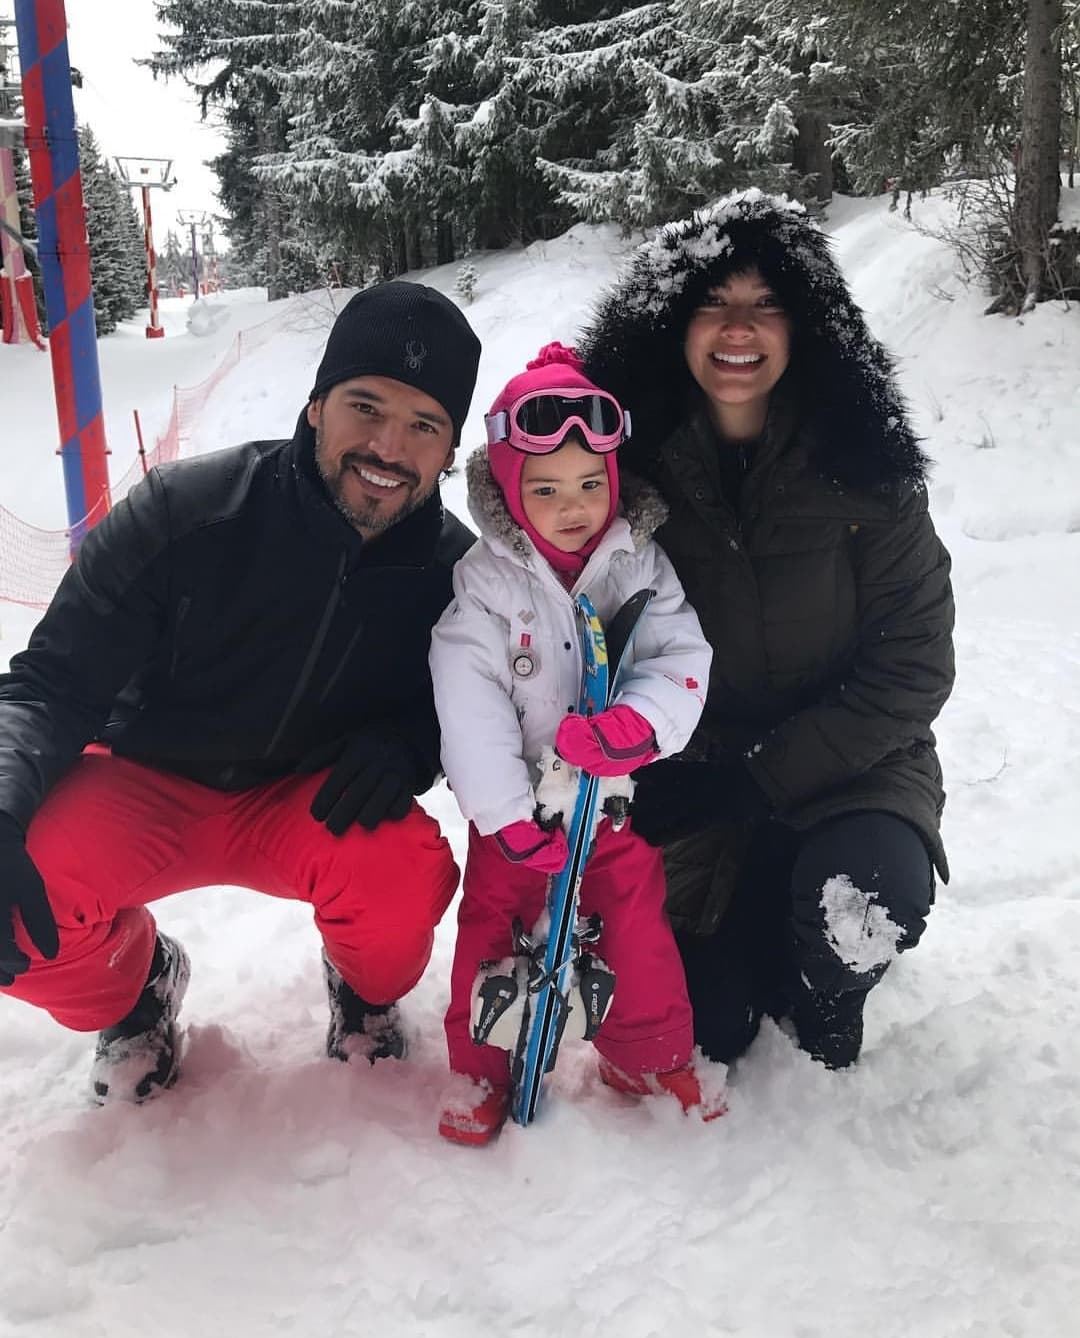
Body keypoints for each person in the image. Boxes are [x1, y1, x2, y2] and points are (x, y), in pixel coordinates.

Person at [0, 279, 482, 1104]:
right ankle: (138, 989)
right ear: (315, 405)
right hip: (144, 778)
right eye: (364, 407)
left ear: (449, 448)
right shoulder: (186, 510)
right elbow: (51, 680)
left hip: (302, 803)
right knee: (13, 909)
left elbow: (463, 713)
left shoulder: (454, 572)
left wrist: (408, 746)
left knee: (403, 875)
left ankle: (362, 992)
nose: (388, 447)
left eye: (423, 425)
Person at [577, 189, 956, 1071]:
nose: (737, 329)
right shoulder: (626, 472)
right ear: (673, 321)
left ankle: (830, 1000)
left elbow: (913, 667)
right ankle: (755, 910)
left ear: (806, 323)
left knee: (860, 901)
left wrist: (765, 779)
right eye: (712, 302)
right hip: (693, 771)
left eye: (766, 304)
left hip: (855, 768)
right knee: (710, 1024)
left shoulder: (867, 468)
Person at [429, 343, 723, 1147]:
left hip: (614, 806)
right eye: (547, 489)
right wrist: (503, 814)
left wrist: (638, 725)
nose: (574, 507)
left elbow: (681, 657)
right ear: (510, 493)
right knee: (492, 933)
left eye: (592, 484)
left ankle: (647, 1054)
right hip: (522, 818)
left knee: (636, 927)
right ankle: (481, 1070)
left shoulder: (639, 565)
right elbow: (468, 700)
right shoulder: (485, 587)